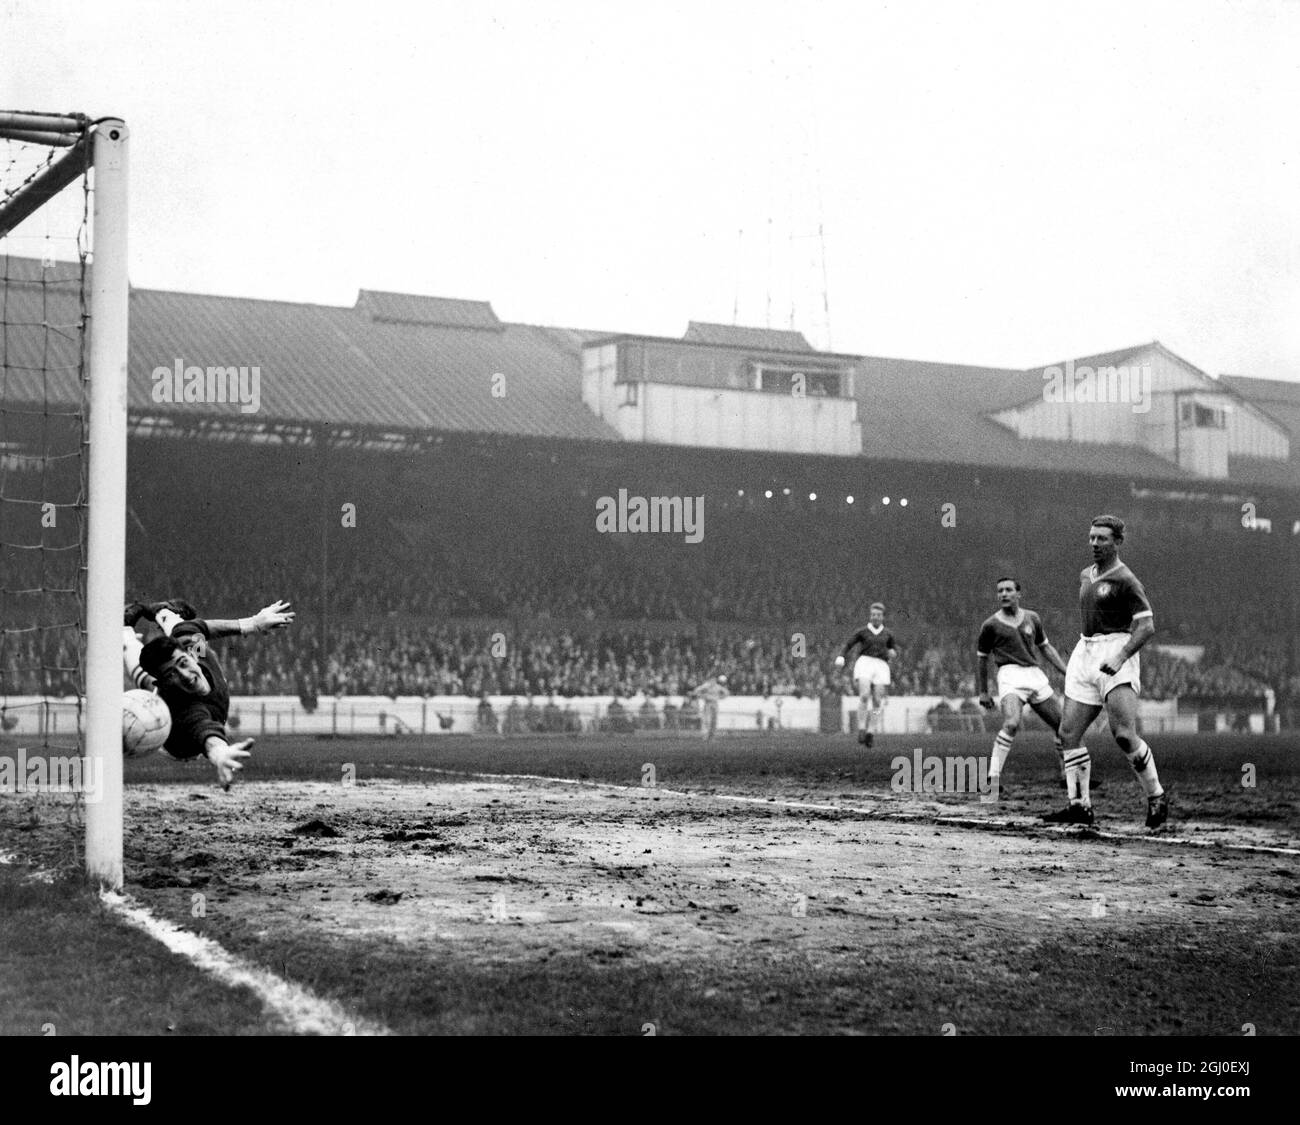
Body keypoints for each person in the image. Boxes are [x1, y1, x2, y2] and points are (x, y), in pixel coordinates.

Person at [1043, 516, 1169, 829]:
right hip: (1085, 651)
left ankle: (1156, 796)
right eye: (1092, 538)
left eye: (1102, 538)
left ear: (1117, 542)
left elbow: (1147, 626)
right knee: (1068, 733)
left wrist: (1122, 655)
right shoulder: (1086, 574)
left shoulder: (1126, 580)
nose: (1095, 544)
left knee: (1124, 734)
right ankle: (1079, 806)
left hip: (1117, 650)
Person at [126, 599, 294, 789]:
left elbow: (194, 628)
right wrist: (220, 754)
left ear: (190, 655)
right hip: (176, 744)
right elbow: (208, 735)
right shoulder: (190, 711)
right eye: (171, 674)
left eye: (183, 663)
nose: (185, 676)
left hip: (181, 659)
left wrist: (252, 623)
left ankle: (162, 613)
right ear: (164, 682)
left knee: (182, 629)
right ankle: (125, 634)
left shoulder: (197, 651)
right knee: (145, 681)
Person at [975, 577, 1069, 798]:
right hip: (1009, 675)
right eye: (1000, 591)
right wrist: (983, 690)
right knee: (1012, 723)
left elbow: (1046, 648)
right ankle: (992, 778)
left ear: (1019, 594)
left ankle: (1068, 774)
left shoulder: (1032, 618)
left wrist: (1067, 671)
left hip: (1034, 674)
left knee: (1064, 726)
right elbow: (982, 658)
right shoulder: (990, 625)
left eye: (1008, 590)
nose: (1004, 594)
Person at [833, 603, 897, 746]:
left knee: (877, 701)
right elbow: (848, 644)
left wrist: (893, 653)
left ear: (882, 617)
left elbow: (893, 649)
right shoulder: (863, 631)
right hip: (865, 663)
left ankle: (870, 731)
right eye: (873, 614)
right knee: (864, 695)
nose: (876, 617)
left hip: (881, 665)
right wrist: (841, 656)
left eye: (878, 615)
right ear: (870, 616)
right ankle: (861, 728)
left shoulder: (888, 633)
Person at [691, 673, 729, 740]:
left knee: (714, 721)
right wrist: (702, 696)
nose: (713, 681)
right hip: (708, 704)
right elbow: (696, 690)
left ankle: (712, 736)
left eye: (714, 680)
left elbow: (726, 693)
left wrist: (720, 697)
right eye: (712, 680)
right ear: (709, 680)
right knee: (707, 720)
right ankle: (705, 736)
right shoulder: (706, 686)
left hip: (714, 704)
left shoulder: (717, 687)